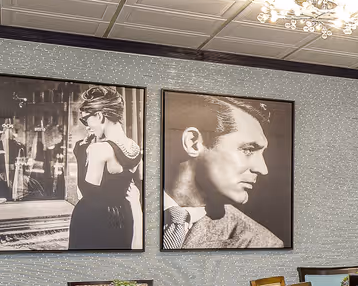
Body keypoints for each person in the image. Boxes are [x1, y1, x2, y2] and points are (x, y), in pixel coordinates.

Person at [162, 94, 283, 249]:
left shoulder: (259, 242)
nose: (263, 169)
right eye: (248, 150)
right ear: (193, 143)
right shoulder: (133, 202)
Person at [67, 86, 143, 251]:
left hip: (93, 220)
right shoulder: (134, 148)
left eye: (85, 120)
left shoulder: (99, 150)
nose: (87, 127)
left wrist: (80, 151)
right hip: (123, 218)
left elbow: (85, 192)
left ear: (100, 116)